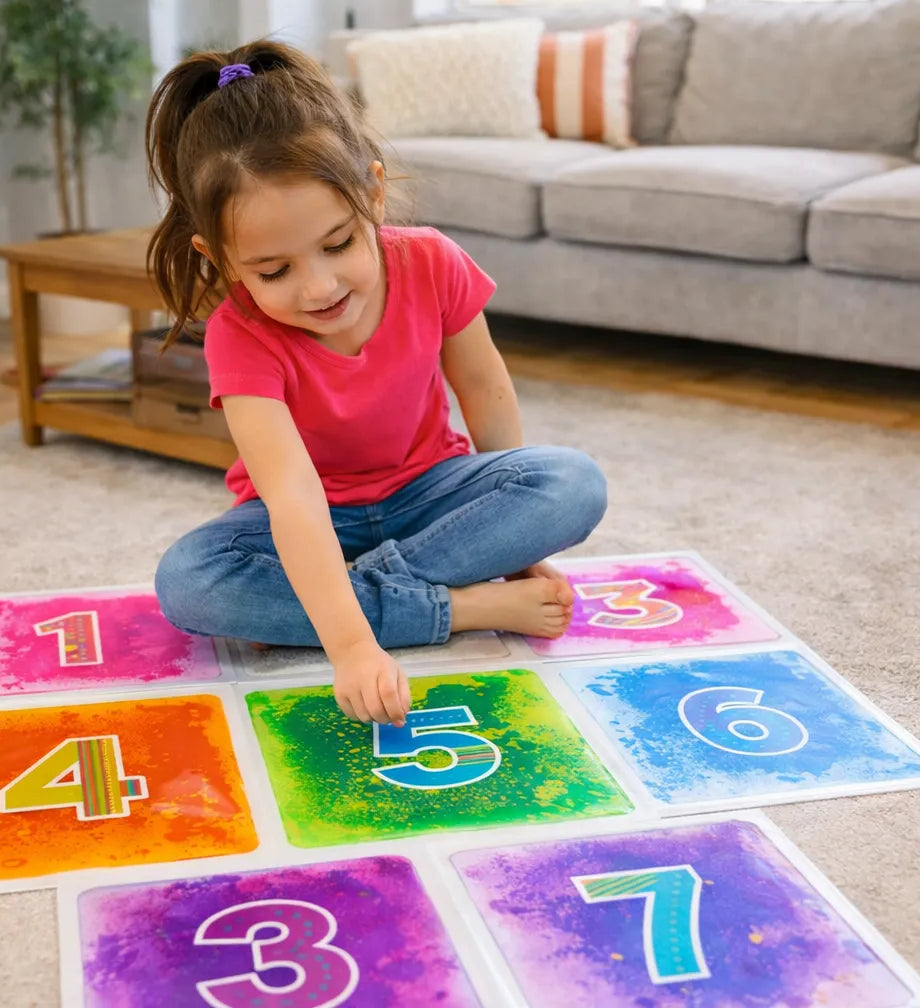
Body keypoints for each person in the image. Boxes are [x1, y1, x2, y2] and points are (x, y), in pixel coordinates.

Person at [147, 41, 608, 728]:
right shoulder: (237, 334)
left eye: (337, 244)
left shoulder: (433, 262)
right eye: (274, 271)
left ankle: (340, 600)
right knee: (189, 581)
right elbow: (293, 495)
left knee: (572, 482)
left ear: (374, 192)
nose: (320, 286)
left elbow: (486, 395)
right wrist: (354, 648)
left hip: (429, 494)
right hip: (307, 520)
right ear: (221, 259)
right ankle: (454, 607)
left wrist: (521, 557)